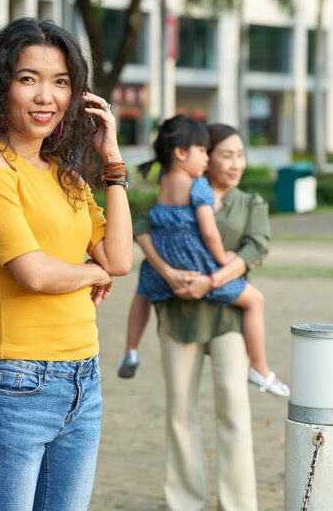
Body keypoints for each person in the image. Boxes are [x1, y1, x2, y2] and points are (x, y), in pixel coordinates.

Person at [0, 17, 133, 511]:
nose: (45, 95)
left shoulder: (65, 175)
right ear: (0, 86)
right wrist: (91, 273)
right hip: (16, 387)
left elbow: (120, 258)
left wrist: (112, 165)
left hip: (83, 383)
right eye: (29, 78)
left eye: (60, 81)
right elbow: (35, 272)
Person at [120, 121, 285, 511]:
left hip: (229, 318)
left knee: (234, 408)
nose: (233, 163)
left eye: (239, 155)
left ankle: (239, 504)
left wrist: (209, 282)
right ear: (202, 156)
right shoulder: (185, 193)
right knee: (179, 412)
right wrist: (171, 274)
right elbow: (142, 226)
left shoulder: (250, 203)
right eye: (224, 154)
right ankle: (185, 501)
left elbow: (252, 251)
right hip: (178, 316)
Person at [119, 116, 288, 397]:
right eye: (202, 152)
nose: (205, 160)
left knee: (142, 293)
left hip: (163, 256)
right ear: (181, 152)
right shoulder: (199, 187)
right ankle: (259, 367)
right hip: (194, 258)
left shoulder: (165, 180)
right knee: (254, 300)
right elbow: (208, 232)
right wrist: (222, 258)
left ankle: (131, 350)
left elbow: (152, 222)